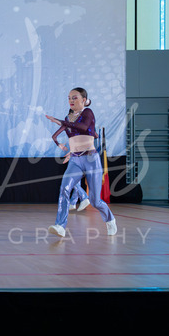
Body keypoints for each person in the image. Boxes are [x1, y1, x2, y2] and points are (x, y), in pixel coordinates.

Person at [45, 87, 116, 237]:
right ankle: (60, 226)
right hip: (75, 160)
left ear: (84, 100)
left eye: (74, 97)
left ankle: (110, 219)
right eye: (69, 98)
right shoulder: (69, 118)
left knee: (95, 201)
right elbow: (74, 136)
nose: (71, 100)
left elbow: (83, 127)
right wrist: (71, 149)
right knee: (64, 189)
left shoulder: (88, 113)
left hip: (91, 159)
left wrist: (62, 122)